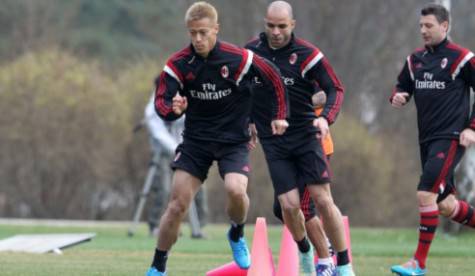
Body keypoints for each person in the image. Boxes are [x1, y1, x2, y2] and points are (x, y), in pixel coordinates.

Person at [146, 2, 289, 275]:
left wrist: (279, 114)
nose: (197, 39)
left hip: (234, 141)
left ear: (216, 29)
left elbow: (273, 76)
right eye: (192, 33)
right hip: (196, 142)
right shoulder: (178, 63)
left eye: (203, 32)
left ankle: (236, 233)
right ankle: (157, 267)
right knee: (176, 205)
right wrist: (172, 109)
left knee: (236, 190)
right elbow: (161, 101)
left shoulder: (239, 58)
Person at [246, 1, 355, 275]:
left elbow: (335, 89)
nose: (276, 32)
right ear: (264, 23)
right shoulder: (250, 53)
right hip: (275, 143)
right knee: (287, 206)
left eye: (282, 26)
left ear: (292, 25)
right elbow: (240, 91)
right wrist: (247, 121)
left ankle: (341, 265)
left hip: (307, 138)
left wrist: (324, 117)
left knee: (321, 200)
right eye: (271, 26)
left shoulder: (308, 55)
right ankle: (307, 253)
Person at [390, 3, 475, 275]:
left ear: (445, 26)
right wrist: (398, 96)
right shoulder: (414, 60)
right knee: (445, 204)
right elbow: (402, 86)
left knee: (425, 194)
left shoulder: (462, 58)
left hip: (450, 138)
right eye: (421, 26)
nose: (423, 31)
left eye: (429, 26)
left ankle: (418, 263)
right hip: (426, 141)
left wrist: (472, 127)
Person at [143, 95, 207, 238]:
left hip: (184, 148)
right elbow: (159, 133)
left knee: (197, 187)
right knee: (163, 188)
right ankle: (156, 226)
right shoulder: (153, 106)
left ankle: (199, 228)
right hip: (162, 152)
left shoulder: (184, 96)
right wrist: (176, 148)